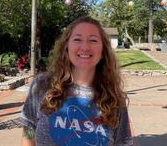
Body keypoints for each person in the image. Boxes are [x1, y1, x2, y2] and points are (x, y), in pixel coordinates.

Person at [20, 16, 133, 145]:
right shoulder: (42, 85)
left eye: (93, 40)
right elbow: (29, 128)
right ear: (66, 47)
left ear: (103, 51)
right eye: (77, 39)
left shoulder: (115, 99)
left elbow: (123, 143)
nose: (85, 46)